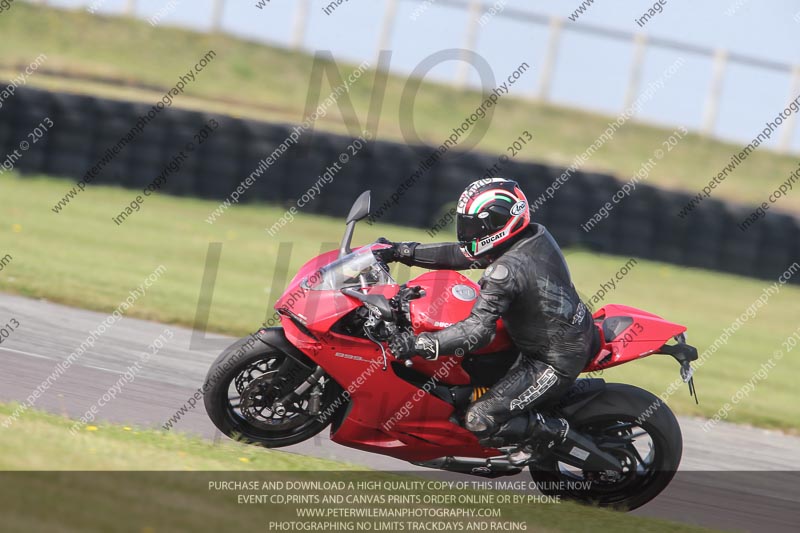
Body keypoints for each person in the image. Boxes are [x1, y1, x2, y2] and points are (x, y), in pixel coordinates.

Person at [380, 178, 595, 464]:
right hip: (554, 330)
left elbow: (478, 331)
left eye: (474, 225)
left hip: (552, 359)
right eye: (465, 223)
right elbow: (461, 253)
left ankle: (549, 434)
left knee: (479, 418)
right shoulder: (532, 234)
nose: (467, 232)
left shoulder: (506, 270)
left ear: (497, 223)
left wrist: (421, 343)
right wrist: (402, 251)